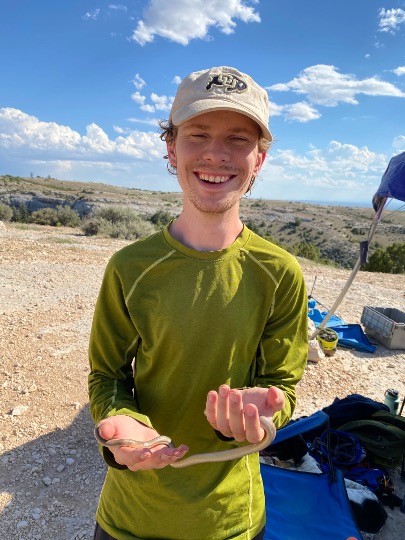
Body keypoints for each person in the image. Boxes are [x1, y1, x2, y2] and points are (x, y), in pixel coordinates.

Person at [88, 66, 308, 540]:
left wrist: (263, 416)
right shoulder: (130, 267)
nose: (215, 154)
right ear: (171, 146)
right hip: (130, 515)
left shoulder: (280, 273)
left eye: (238, 139)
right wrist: (122, 422)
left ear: (260, 158)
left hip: (230, 521)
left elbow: (282, 387)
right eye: (198, 134)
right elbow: (107, 376)